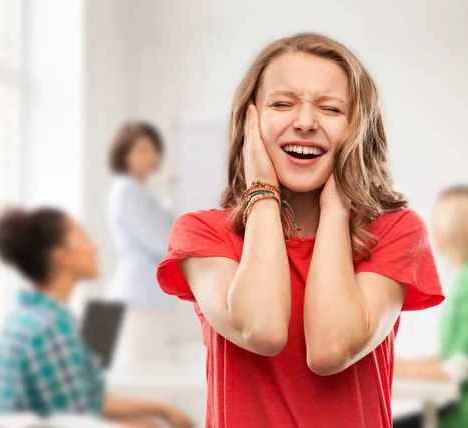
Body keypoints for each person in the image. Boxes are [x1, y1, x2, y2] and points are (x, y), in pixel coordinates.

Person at [156, 32, 445, 428]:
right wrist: (263, 193)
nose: (305, 122)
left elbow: (330, 350)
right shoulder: (203, 234)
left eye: (329, 108)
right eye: (282, 103)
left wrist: (336, 206)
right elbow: (260, 330)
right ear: (250, 120)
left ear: (357, 128)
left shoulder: (396, 232)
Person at [0, 207, 193, 428]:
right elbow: (76, 420)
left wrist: (160, 409)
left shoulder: (31, 316)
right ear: (61, 257)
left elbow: (87, 403)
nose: (94, 246)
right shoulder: (50, 327)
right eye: (83, 237)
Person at [394, 185, 468, 428]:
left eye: (437, 222)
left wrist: (392, 369)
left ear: (457, 229)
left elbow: (458, 369)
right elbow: (451, 357)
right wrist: (396, 365)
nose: (433, 231)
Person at [106, 122, 178, 366]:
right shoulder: (128, 192)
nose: (151, 156)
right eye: (142, 150)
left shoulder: (137, 191)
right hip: (138, 300)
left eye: (153, 149)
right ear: (125, 155)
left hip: (141, 298)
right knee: (144, 377)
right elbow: (163, 240)